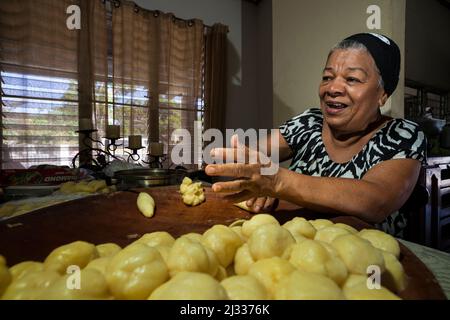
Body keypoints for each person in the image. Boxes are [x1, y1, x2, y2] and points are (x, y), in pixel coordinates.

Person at [205, 33, 426, 237]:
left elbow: (375, 201)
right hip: (292, 249)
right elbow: (244, 157)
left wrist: (279, 183)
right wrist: (252, 176)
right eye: (327, 77)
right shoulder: (309, 122)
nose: (332, 88)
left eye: (352, 79)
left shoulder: (402, 135)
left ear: (382, 94)